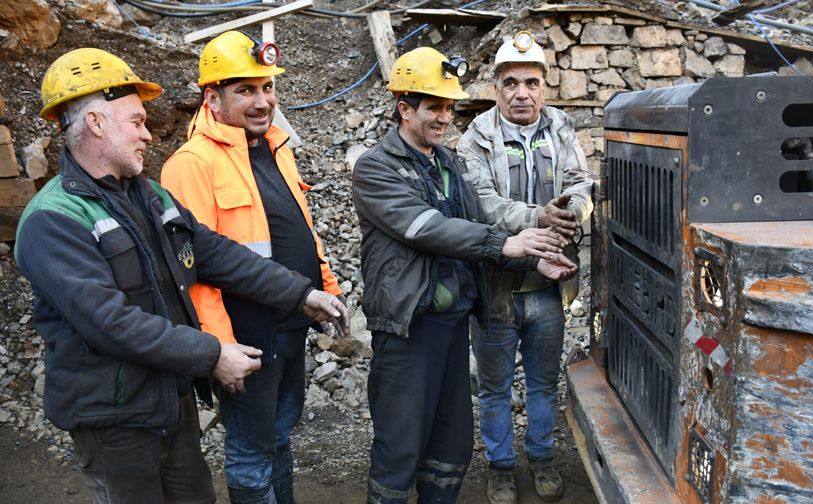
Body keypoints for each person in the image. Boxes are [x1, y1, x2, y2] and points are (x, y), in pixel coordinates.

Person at [14, 48, 347, 504]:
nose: (149, 135)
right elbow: (110, 321)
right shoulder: (54, 220)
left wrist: (301, 295)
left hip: (170, 398)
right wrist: (212, 354)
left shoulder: (147, 195)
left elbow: (215, 254)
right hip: (114, 417)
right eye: (137, 122)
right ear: (95, 123)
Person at [352, 47, 578, 504]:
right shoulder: (376, 168)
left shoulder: (447, 164)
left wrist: (532, 261)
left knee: (450, 446)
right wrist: (505, 243)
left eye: (449, 107)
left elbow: (481, 233)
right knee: (400, 447)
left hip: (452, 326)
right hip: (408, 331)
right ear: (404, 109)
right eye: (434, 107)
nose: (444, 118)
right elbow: (425, 229)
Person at [160, 30, 347, 504]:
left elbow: (301, 227)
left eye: (267, 87)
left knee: (278, 434)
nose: (262, 101)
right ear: (213, 97)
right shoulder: (192, 164)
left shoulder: (273, 146)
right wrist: (219, 348)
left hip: (291, 323)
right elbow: (192, 270)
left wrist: (326, 286)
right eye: (245, 90)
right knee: (249, 450)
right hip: (246, 336)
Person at [456, 31, 594, 504]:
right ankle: (499, 466)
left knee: (543, 382)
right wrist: (537, 217)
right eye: (511, 82)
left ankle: (541, 459)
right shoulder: (476, 138)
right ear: (495, 87)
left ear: (544, 86)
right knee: (494, 388)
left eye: (531, 82)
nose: (522, 92)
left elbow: (580, 184)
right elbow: (482, 205)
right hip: (496, 287)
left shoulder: (561, 130)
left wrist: (573, 213)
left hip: (547, 286)